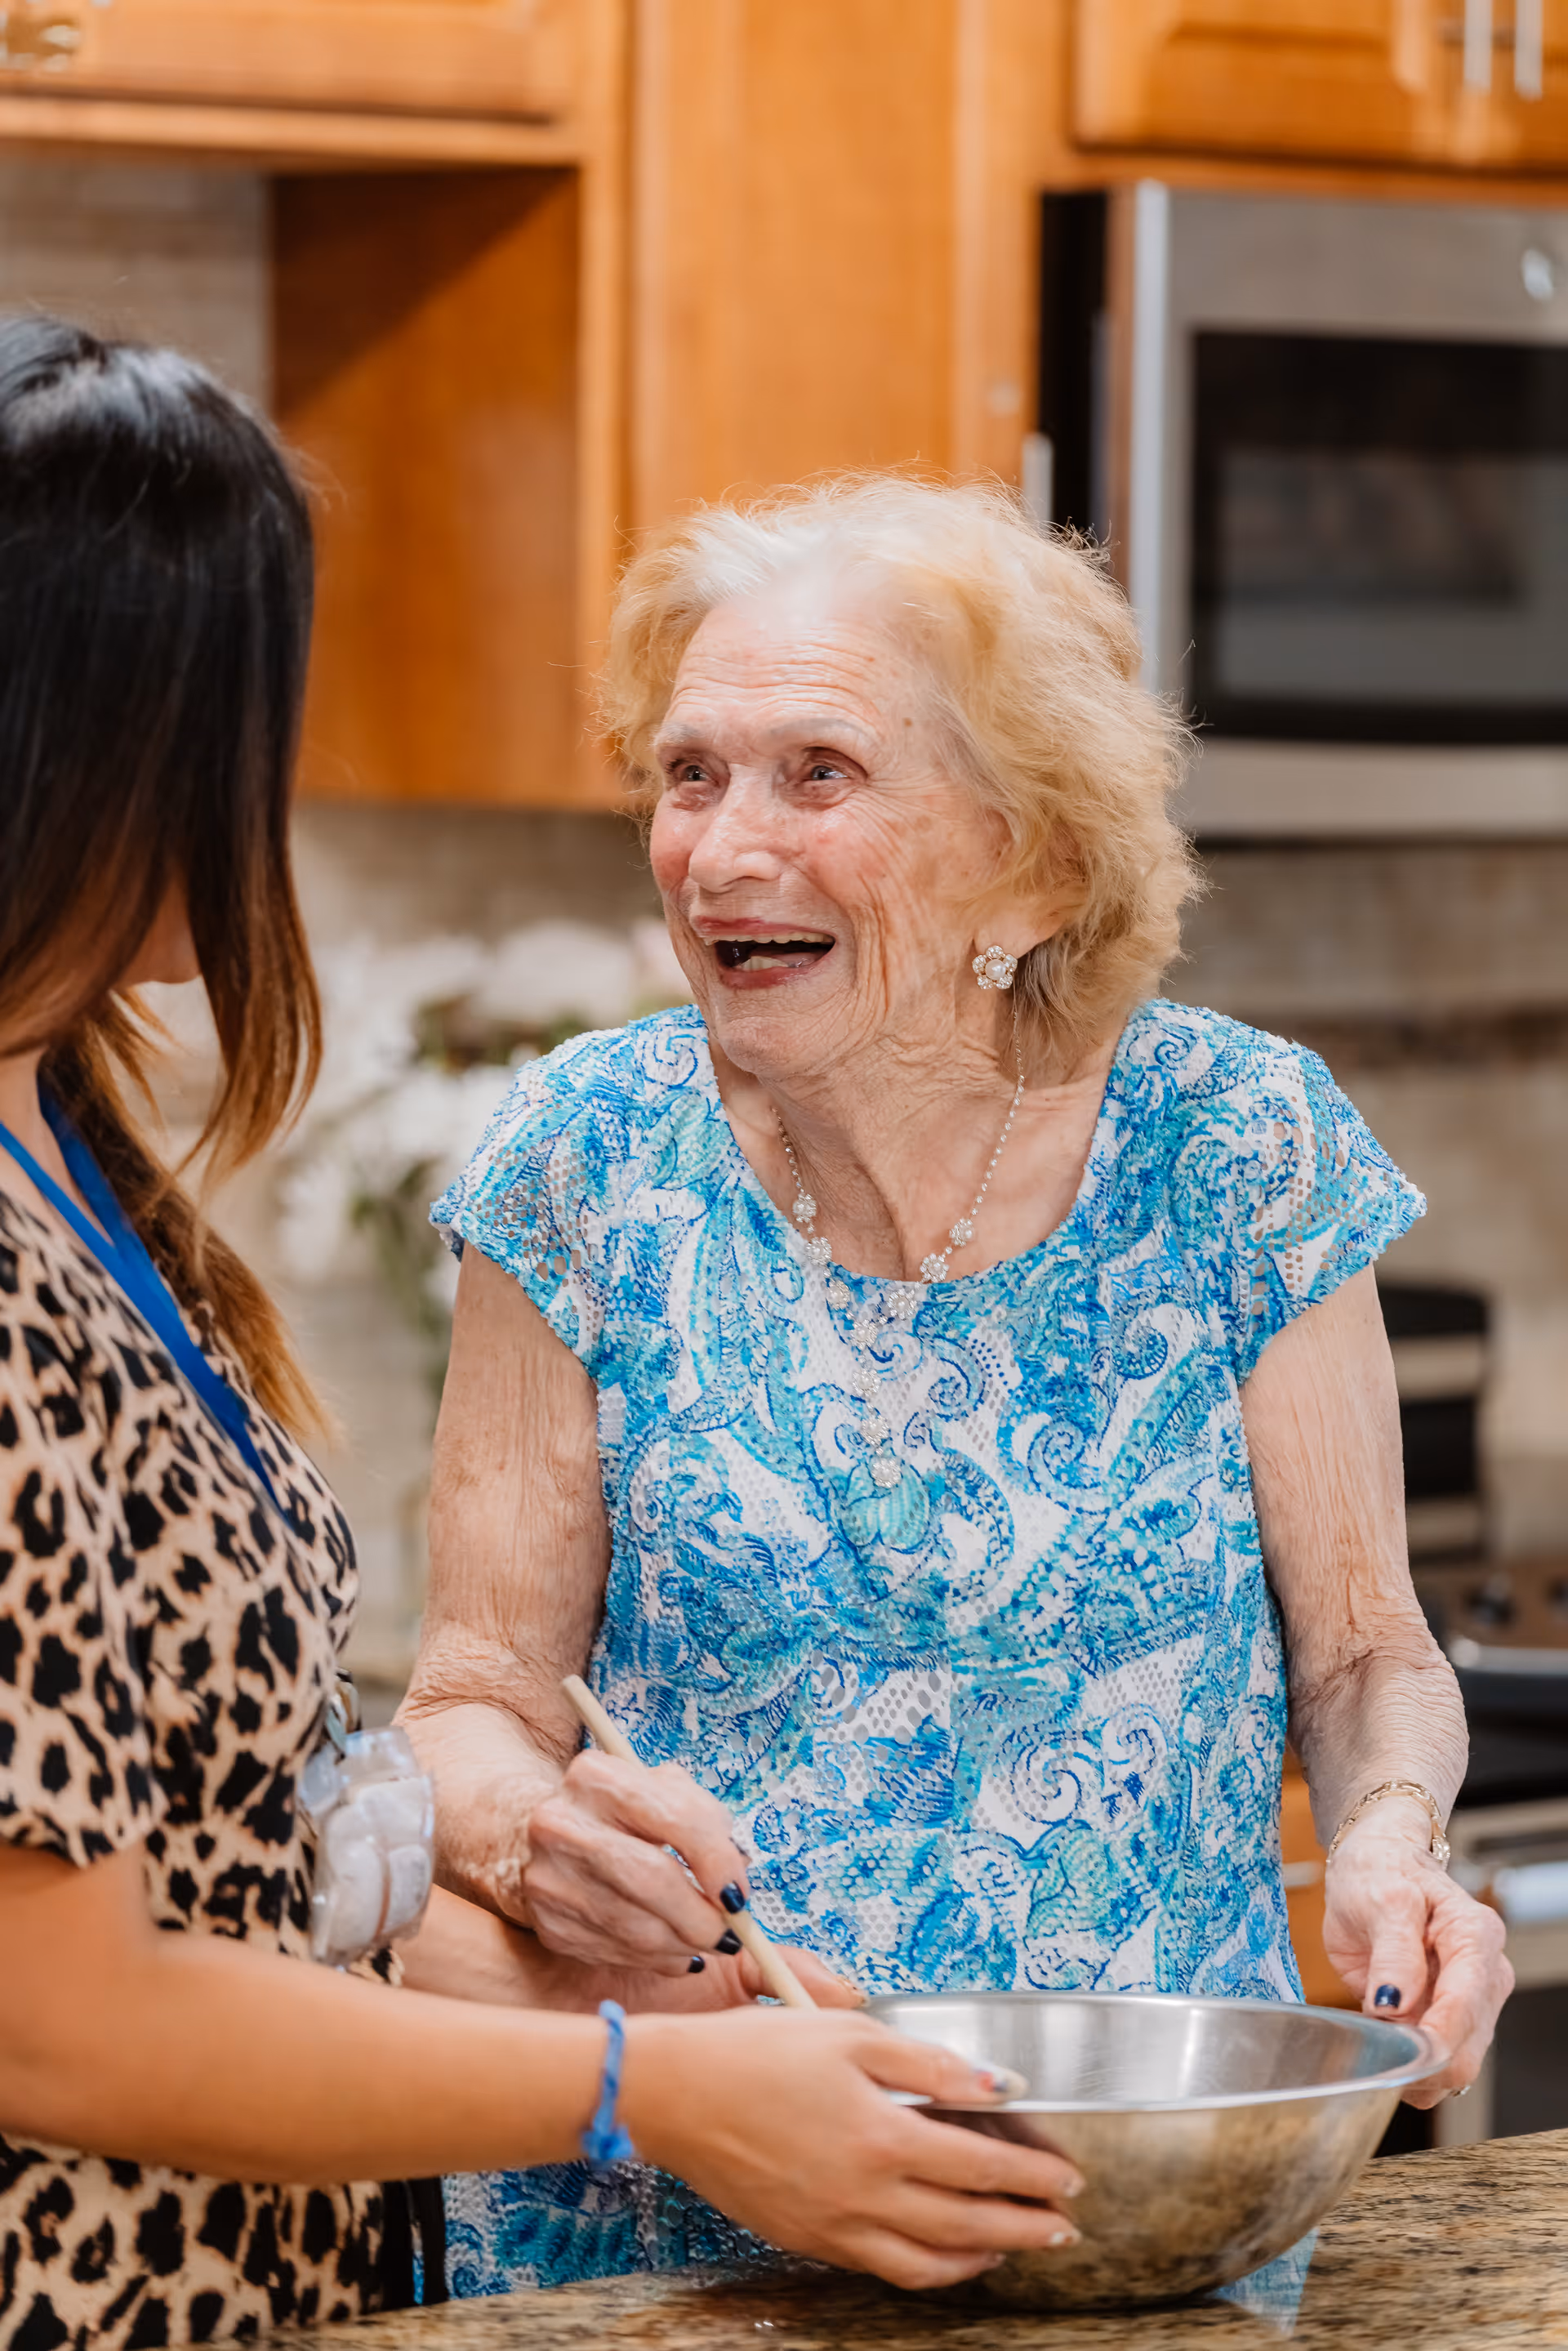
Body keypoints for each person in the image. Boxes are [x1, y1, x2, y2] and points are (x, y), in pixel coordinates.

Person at [0, 328, 1087, 2349]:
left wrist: (578, 1941)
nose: (271, 778)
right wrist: (646, 2088)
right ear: (87, 729)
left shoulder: (66, 1125)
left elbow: (226, 1877)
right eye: (245, 712)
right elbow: (52, 2018)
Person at [407, 472, 1514, 2291]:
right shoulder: (584, 1155)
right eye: (690, 773)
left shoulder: (1240, 1140)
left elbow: (1368, 1653)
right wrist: (534, 1837)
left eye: (816, 773)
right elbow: (470, 1695)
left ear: (1037, 858)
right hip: (689, 2221)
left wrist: (1394, 1843)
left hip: (1140, 2208)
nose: (717, 846)